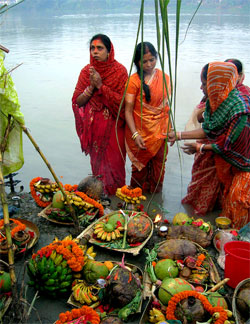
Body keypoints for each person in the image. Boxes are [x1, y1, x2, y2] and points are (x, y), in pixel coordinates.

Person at [169, 61, 250, 229]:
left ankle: (237, 244)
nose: (200, 88)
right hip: (231, 164)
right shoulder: (219, 103)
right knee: (227, 204)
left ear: (215, 84)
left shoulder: (239, 110)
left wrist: (199, 147)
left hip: (245, 166)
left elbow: (225, 145)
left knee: (238, 203)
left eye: (204, 83)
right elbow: (209, 130)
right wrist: (178, 135)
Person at [72, 34, 128, 195]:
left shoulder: (120, 72)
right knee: (97, 168)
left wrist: (101, 86)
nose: (95, 51)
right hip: (94, 129)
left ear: (109, 51)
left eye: (100, 48)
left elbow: (123, 103)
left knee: (116, 166)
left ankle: (118, 200)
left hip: (114, 129)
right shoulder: (86, 72)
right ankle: (100, 197)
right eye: (92, 48)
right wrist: (90, 87)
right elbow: (77, 101)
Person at [124, 42, 171, 193]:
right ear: (137, 62)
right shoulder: (133, 81)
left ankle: (155, 205)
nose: (149, 64)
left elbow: (166, 109)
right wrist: (135, 134)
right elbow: (128, 111)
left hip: (160, 134)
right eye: (144, 61)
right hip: (140, 135)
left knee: (158, 170)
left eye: (152, 59)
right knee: (139, 172)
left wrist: (169, 130)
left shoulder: (165, 79)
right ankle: (134, 205)